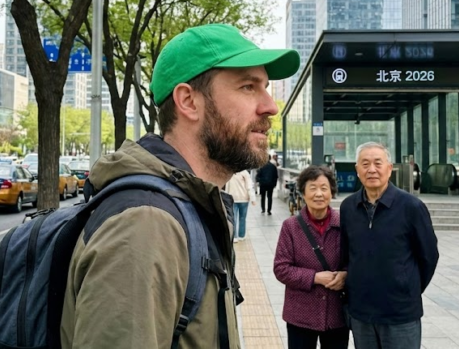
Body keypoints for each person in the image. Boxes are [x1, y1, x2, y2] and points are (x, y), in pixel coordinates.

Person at [60, 23, 300, 348]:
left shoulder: (191, 205)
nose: (270, 106)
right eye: (248, 87)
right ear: (188, 101)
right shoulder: (145, 225)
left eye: (266, 87)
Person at [340, 142, 439, 349]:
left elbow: (428, 256)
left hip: (400, 313)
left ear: (389, 167)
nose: (372, 169)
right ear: (357, 170)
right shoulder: (348, 207)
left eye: (378, 163)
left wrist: (406, 287)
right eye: (365, 164)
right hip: (361, 312)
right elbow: (346, 254)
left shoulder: (411, 207)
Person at [274, 165, 349, 349]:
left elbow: (358, 260)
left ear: (332, 192)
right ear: (303, 192)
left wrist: (346, 275)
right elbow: (281, 268)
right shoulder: (290, 227)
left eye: (324, 188)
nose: (318, 194)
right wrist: (314, 277)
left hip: (336, 314)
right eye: (312, 188)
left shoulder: (345, 224)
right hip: (300, 314)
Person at [226, 170, 256, 243]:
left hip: (232, 198)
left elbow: (226, 186)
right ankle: (241, 236)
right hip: (244, 199)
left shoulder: (230, 171)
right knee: (242, 218)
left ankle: (235, 236)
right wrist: (253, 198)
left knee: (233, 218)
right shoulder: (244, 173)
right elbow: (249, 186)